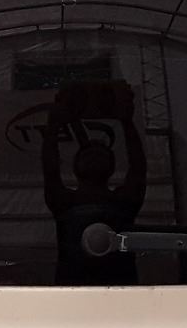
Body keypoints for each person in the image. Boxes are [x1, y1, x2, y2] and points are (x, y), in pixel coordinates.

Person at [41, 81, 147, 285]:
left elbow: (138, 167)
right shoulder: (63, 201)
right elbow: (50, 166)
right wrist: (53, 124)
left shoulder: (124, 201)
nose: (94, 157)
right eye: (88, 155)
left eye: (101, 155)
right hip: (73, 294)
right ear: (75, 167)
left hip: (121, 294)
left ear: (112, 167)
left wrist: (127, 122)